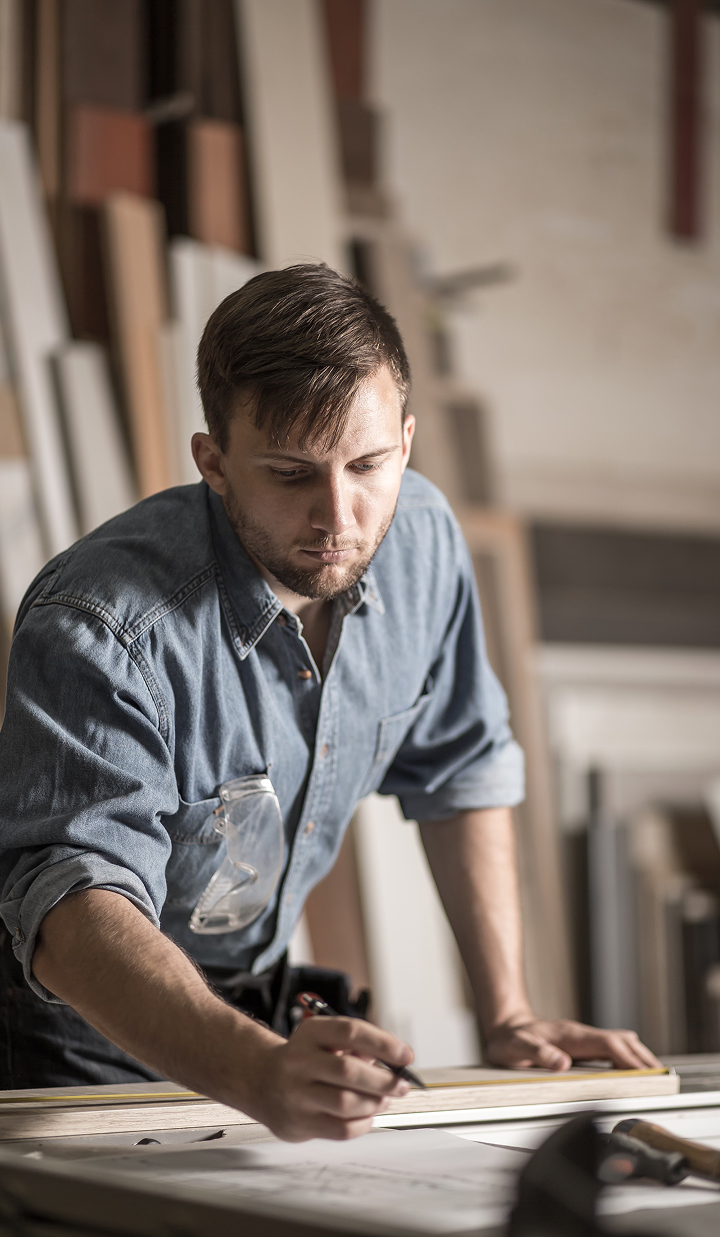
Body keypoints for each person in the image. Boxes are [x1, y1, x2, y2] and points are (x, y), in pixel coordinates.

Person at [0, 265, 659, 1141]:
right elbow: (72, 904)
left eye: (368, 464)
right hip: (80, 1036)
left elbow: (461, 767)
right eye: (290, 473)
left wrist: (507, 1014)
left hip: (252, 1012)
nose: (338, 516)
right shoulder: (101, 625)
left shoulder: (422, 541)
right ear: (214, 462)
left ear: (408, 441)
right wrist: (253, 1070)